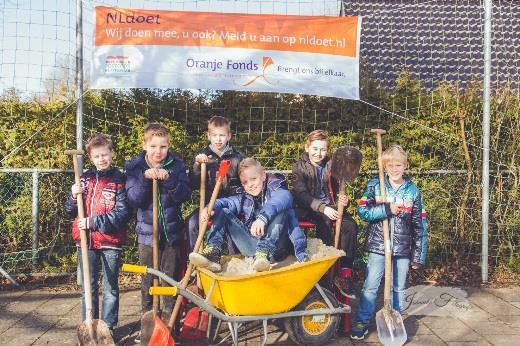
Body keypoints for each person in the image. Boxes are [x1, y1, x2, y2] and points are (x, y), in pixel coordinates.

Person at [350, 144, 428, 340]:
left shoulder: (413, 192)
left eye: (398, 165)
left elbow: (420, 226)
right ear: (384, 167)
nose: (394, 169)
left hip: (402, 248)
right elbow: (363, 211)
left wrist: (418, 255)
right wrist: (386, 209)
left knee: (399, 287)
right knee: (370, 285)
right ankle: (362, 320)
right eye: (390, 165)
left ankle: (396, 319)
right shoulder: (375, 185)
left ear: (406, 165)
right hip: (378, 246)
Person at [189, 158, 307, 272]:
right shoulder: (245, 197)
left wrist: (263, 218)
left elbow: (282, 198)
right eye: (245, 182)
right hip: (253, 250)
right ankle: (213, 253)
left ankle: (264, 251)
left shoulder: (277, 188)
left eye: (253, 179)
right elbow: (227, 202)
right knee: (223, 211)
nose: (250, 185)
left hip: (278, 249)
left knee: (281, 209)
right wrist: (209, 207)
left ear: (263, 176)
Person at [65, 133, 131, 334]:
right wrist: (73, 196)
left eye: (105, 154)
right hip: (86, 242)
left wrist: (93, 222)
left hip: (110, 241)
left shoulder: (119, 180)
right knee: (88, 286)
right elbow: (69, 210)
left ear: (112, 153)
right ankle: (89, 324)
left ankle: (108, 327)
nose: (101, 159)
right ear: (91, 158)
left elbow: (122, 213)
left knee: (110, 287)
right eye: (96, 156)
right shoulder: (84, 179)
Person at [124, 123, 191, 317]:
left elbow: (184, 195)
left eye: (163, 146)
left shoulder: (176, 165)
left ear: (168, 146)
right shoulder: (135, 167)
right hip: (146, 234)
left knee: (169, 277)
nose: (158, 151)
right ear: (144, 145)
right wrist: (145, 179)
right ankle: (148, 318)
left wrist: (169, 179)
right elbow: (134, 199)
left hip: (171, 233)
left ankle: (170, 323)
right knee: (148, 277)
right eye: (153, 146)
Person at [291, 130, 358, 292]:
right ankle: (325, 269)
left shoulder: (333, 166)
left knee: (350, 225)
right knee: (325, 222)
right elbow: (301, 195)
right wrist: (322, 208)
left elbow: (337, 191)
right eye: (315, 148)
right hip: (309, 208)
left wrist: (343, 201)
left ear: (327, 150)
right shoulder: (299, 167)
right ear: (307, 148)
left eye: (322, 149)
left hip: (331, 207)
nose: (318, 153)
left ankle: (345, 270)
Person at [188, 115, 244, 251]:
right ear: (208, 136)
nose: (218, 139)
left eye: (222, 135)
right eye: (214, 135)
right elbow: (193, 184)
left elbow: (245, 182)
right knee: (192, 223)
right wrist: (197, 165)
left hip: (230, 205)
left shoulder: (238, 157)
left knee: (232, 226)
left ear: (229, 136)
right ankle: (196, 260)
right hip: (208, 205)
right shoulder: (203, 157)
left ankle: (234, 261)